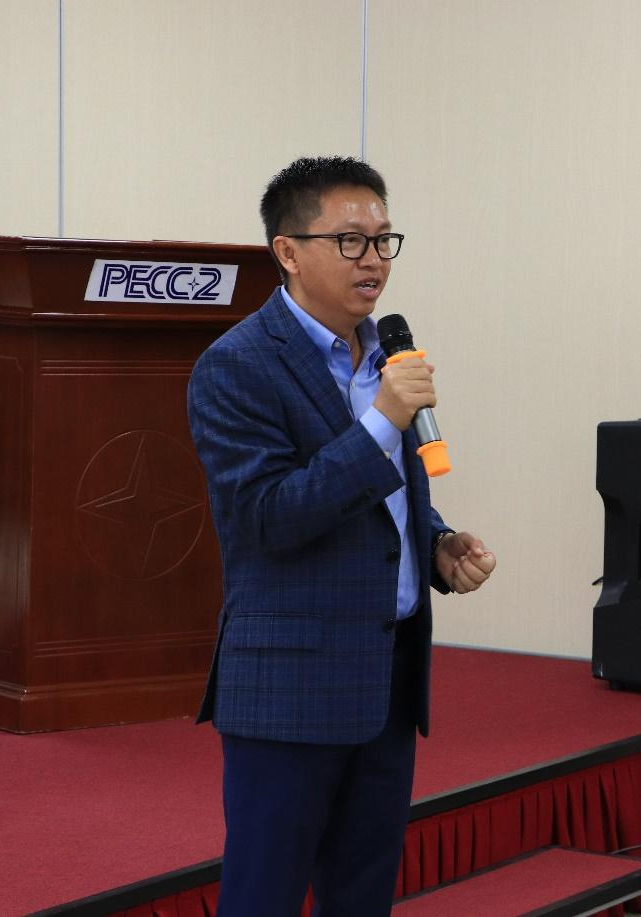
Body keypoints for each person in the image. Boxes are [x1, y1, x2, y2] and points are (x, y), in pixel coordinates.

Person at [186, 156, 496, 916]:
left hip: (386, 676)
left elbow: (380, 500)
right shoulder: (236, 366)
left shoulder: (384, 353)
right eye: (350, 241)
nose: (374, 260)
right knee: (263, 898)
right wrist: (382, 420)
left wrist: (436, 543)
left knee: (362, 898)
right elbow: (269, 516)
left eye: (384, 240)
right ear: (288, 251)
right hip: (290, 687)